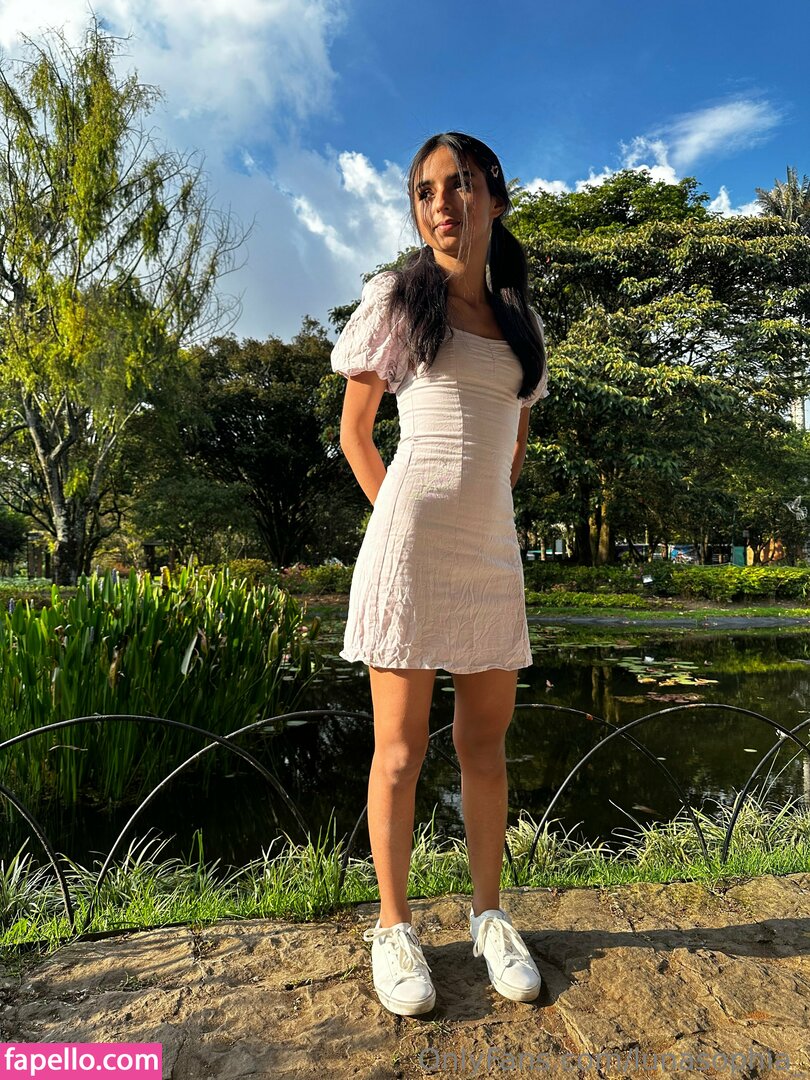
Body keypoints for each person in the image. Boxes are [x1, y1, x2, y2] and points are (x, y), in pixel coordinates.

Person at [331, 131, 550, 1017]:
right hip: (408, 553)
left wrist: (481, 514)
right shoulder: (398, 299)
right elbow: (355, 435)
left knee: (483, 748)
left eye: (458, 185)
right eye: (425, 192)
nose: (442, 204)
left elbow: (513, 446)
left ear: (494, 195)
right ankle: (393, 928)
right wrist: (401, 520)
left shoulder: (523, 323)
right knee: (399, 752)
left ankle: (489, 916)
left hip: (489, 556)